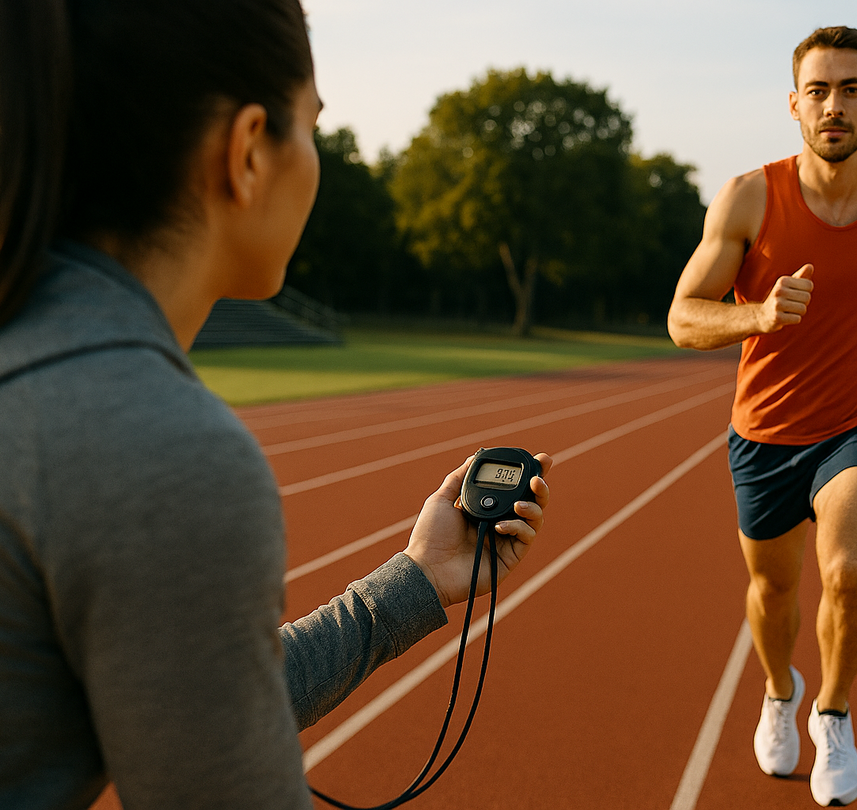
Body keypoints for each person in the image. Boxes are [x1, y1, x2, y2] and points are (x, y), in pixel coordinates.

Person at [0, 2, 551, 808]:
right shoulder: (159, 447)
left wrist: (419, 579)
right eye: (314, 126)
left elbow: (196, 703)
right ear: (249, 150)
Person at [667, 25, 857, 807]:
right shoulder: (749, 198)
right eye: (820, 90)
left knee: (847, 570)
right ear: (794, 103)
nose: (835, 105)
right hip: (764, 430)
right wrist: (757, 316)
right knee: (773, 595)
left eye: (852, 89)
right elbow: (683, 318)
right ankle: (777, 690)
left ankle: (833, 710)